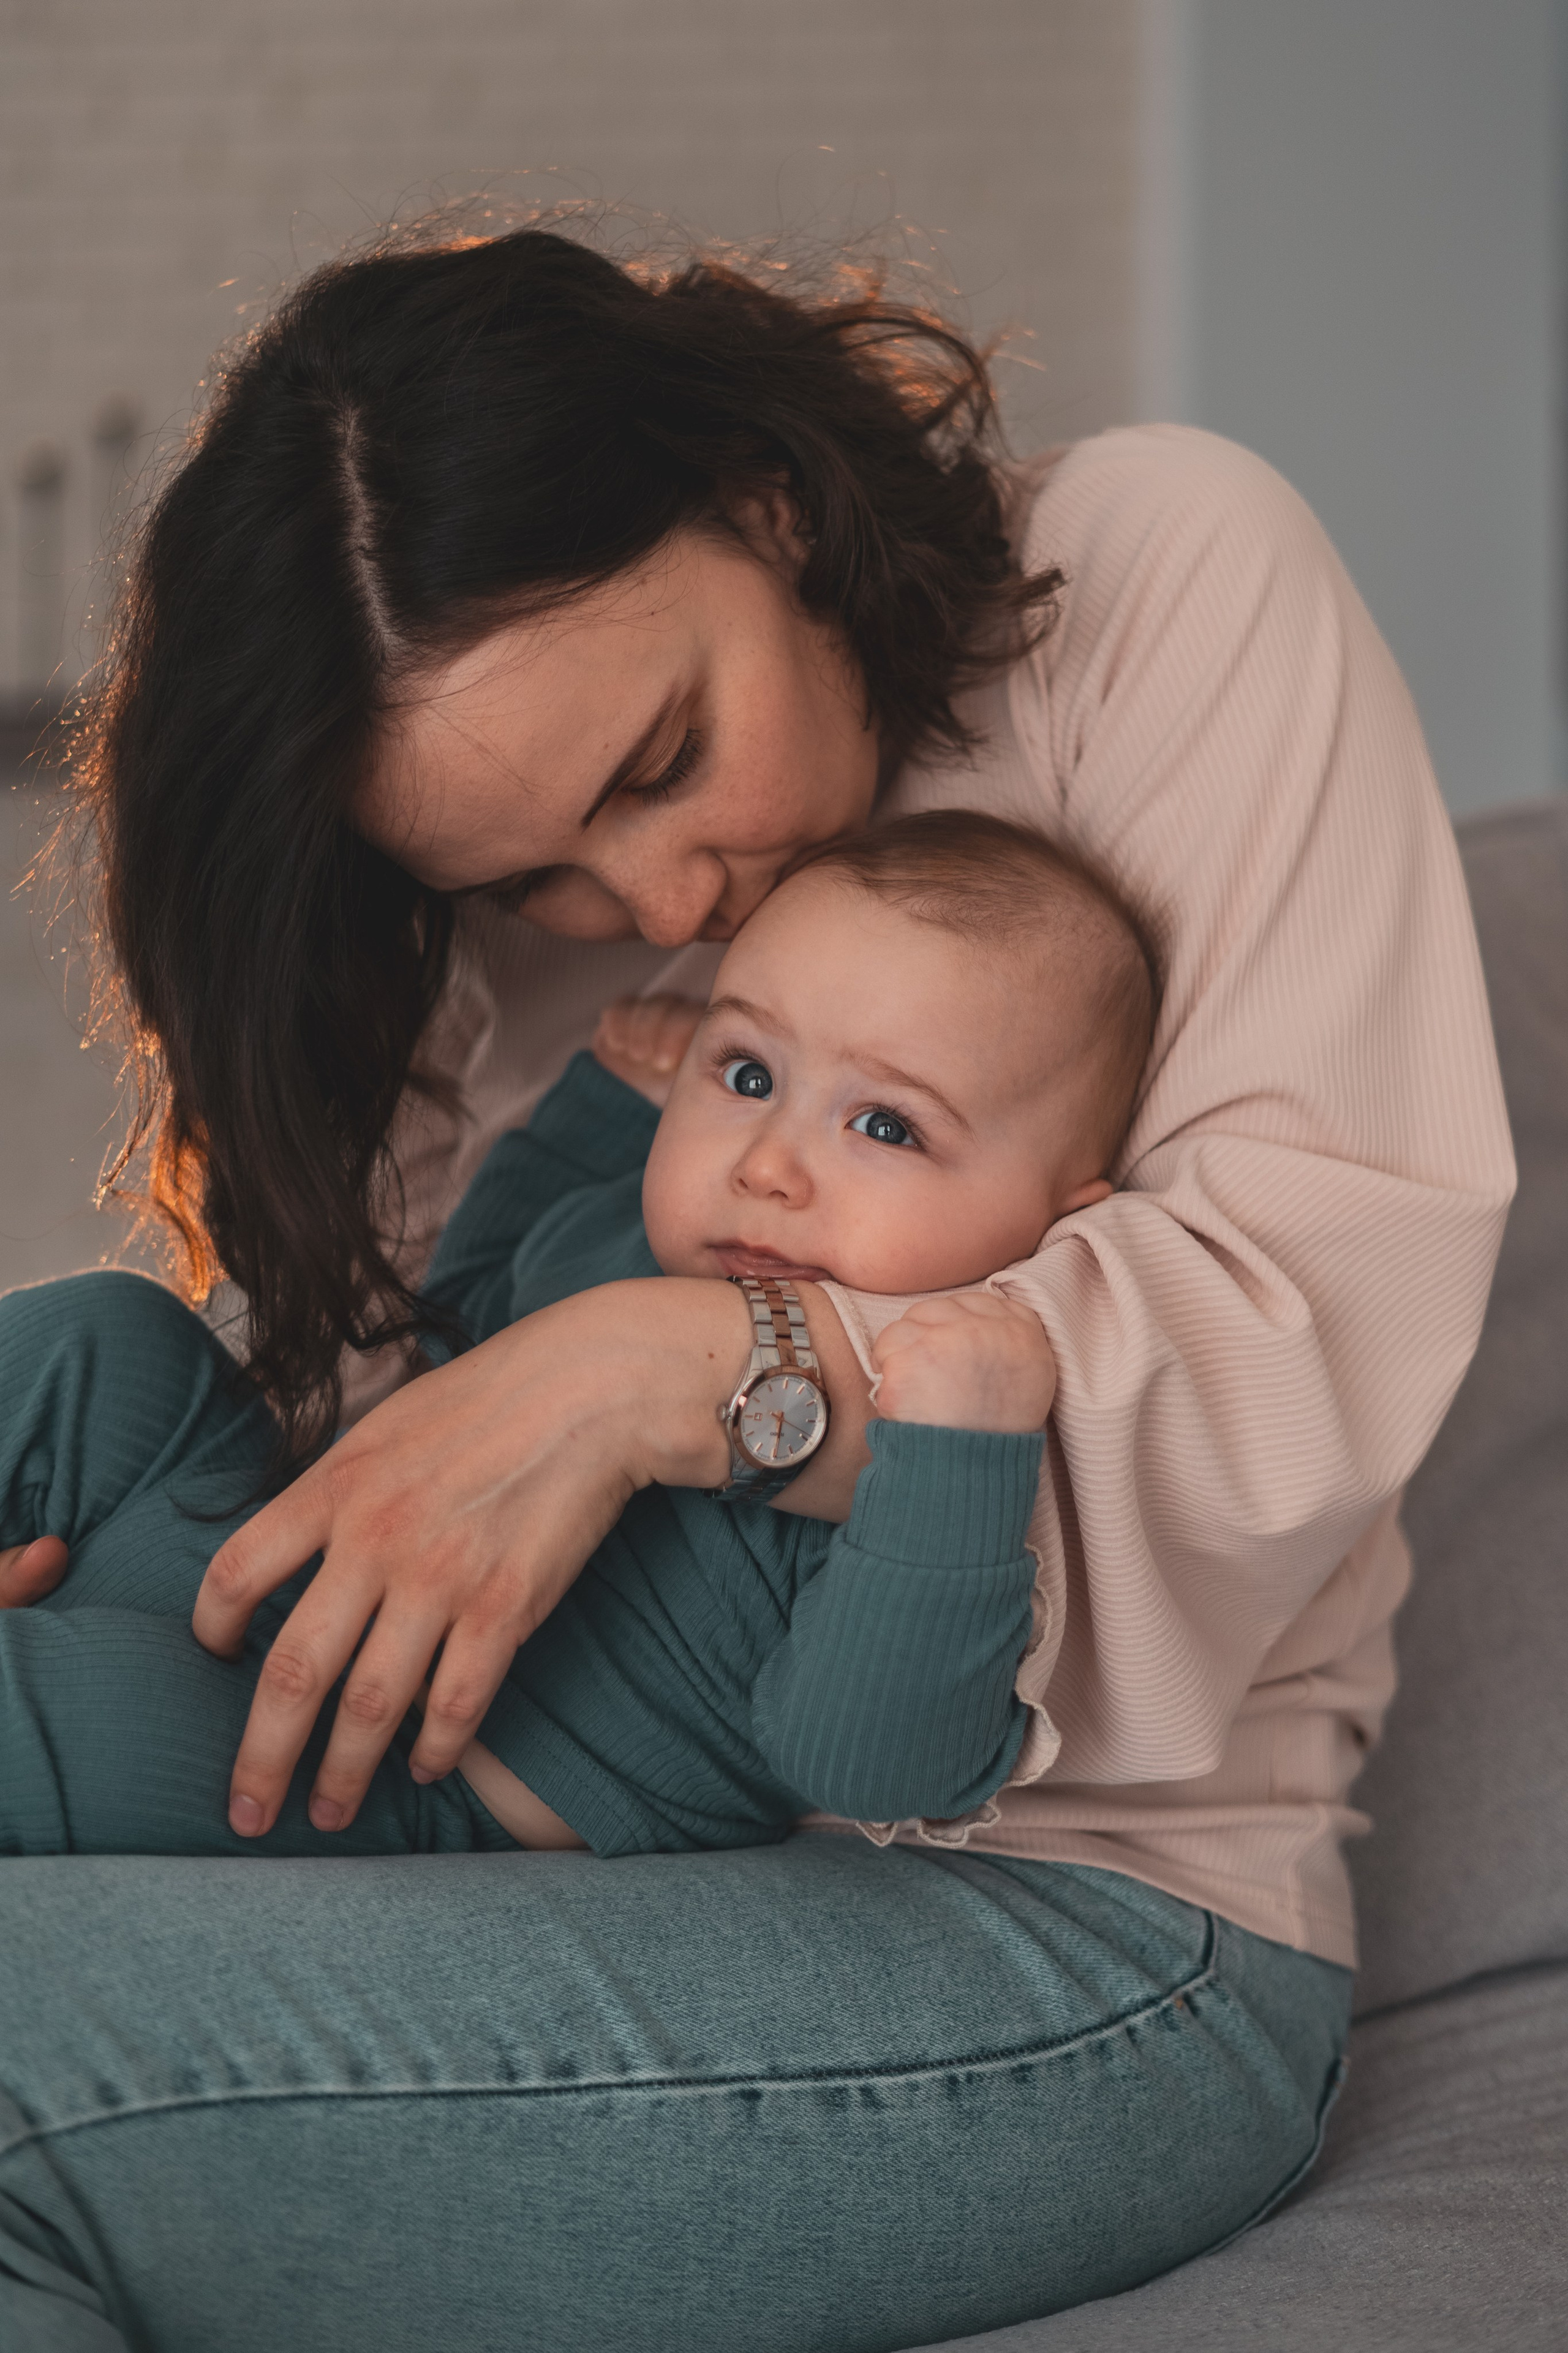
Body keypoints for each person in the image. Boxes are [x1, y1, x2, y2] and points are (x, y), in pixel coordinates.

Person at [0, 224, 1513, 2352]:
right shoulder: (507, 935)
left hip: (1067, 1921)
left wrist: (686, 1364)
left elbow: (1286, 1323)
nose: (652, 904)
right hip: (531, 1838)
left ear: (767, 505)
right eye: (530, 878)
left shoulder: (1167, 582)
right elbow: (425, 1432)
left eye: (656, 761)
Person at [0, 812, 1151, 1862]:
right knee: (112, 1337)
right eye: (747, 1073)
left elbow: (874, 1768)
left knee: (45, 1702)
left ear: (1061, 1227)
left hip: (375, 1766)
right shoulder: (635, 1238)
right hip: (282, 1535)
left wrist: (962, 1451)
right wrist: (607, 1099)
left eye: (886, 1125)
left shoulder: (889, 1439)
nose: (767, 1164)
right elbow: (464, 1304)